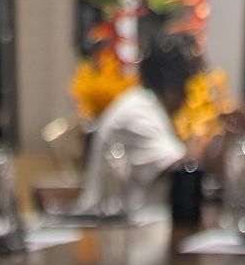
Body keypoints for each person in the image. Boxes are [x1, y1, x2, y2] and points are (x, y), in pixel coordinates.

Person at [77, 34, 200, 213]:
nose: (190, 95)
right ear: (173, 85)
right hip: (107, 225)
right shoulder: (138, 112)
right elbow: (178, 167)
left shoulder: (147, 106)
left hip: (124, 223)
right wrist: (205, 141)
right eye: (189, 83)